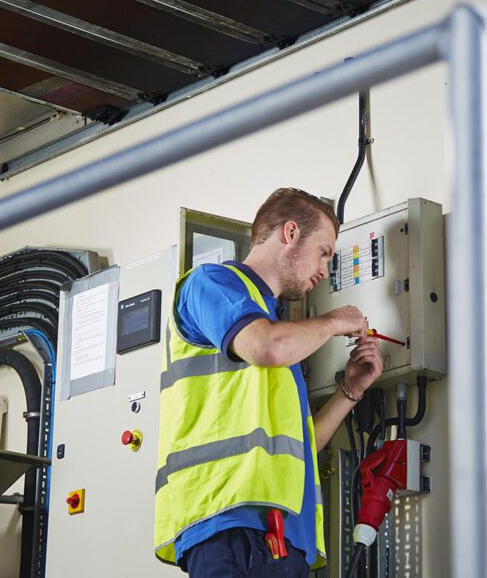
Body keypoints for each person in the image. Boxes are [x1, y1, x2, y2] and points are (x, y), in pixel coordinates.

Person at [154, 188, 384, 576]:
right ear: (291, 233)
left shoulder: (274, 328)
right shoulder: (211, 284)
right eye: (324, 251)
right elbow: (267, 348)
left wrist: (351, 390)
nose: (325, 270)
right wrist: (333, 322)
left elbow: (303, 445)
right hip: (229, 524)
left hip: (284, 540)